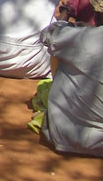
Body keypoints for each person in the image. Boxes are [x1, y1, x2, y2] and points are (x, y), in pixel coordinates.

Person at [38, 20, 103, 156]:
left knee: (60, 53)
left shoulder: (82, 37)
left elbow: (47, 36)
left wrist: (67, 25)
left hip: (68, 137)